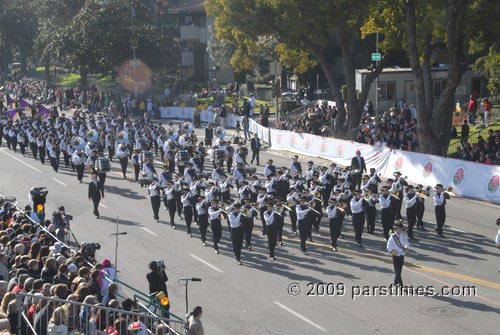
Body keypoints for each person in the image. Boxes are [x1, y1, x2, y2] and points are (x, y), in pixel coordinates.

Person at [386, 222, 409, 286]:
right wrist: (395, 253)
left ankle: (395, 282)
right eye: (397, 228)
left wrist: (406, 248)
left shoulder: (404, 235)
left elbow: (407, 243)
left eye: (399, 228)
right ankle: (401, 284)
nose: (398, 229)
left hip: (402, 254)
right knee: (397, 270)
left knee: (399, 269)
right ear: (395, 229)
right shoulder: (393, 236)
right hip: (395, 255)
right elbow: (389, 247)